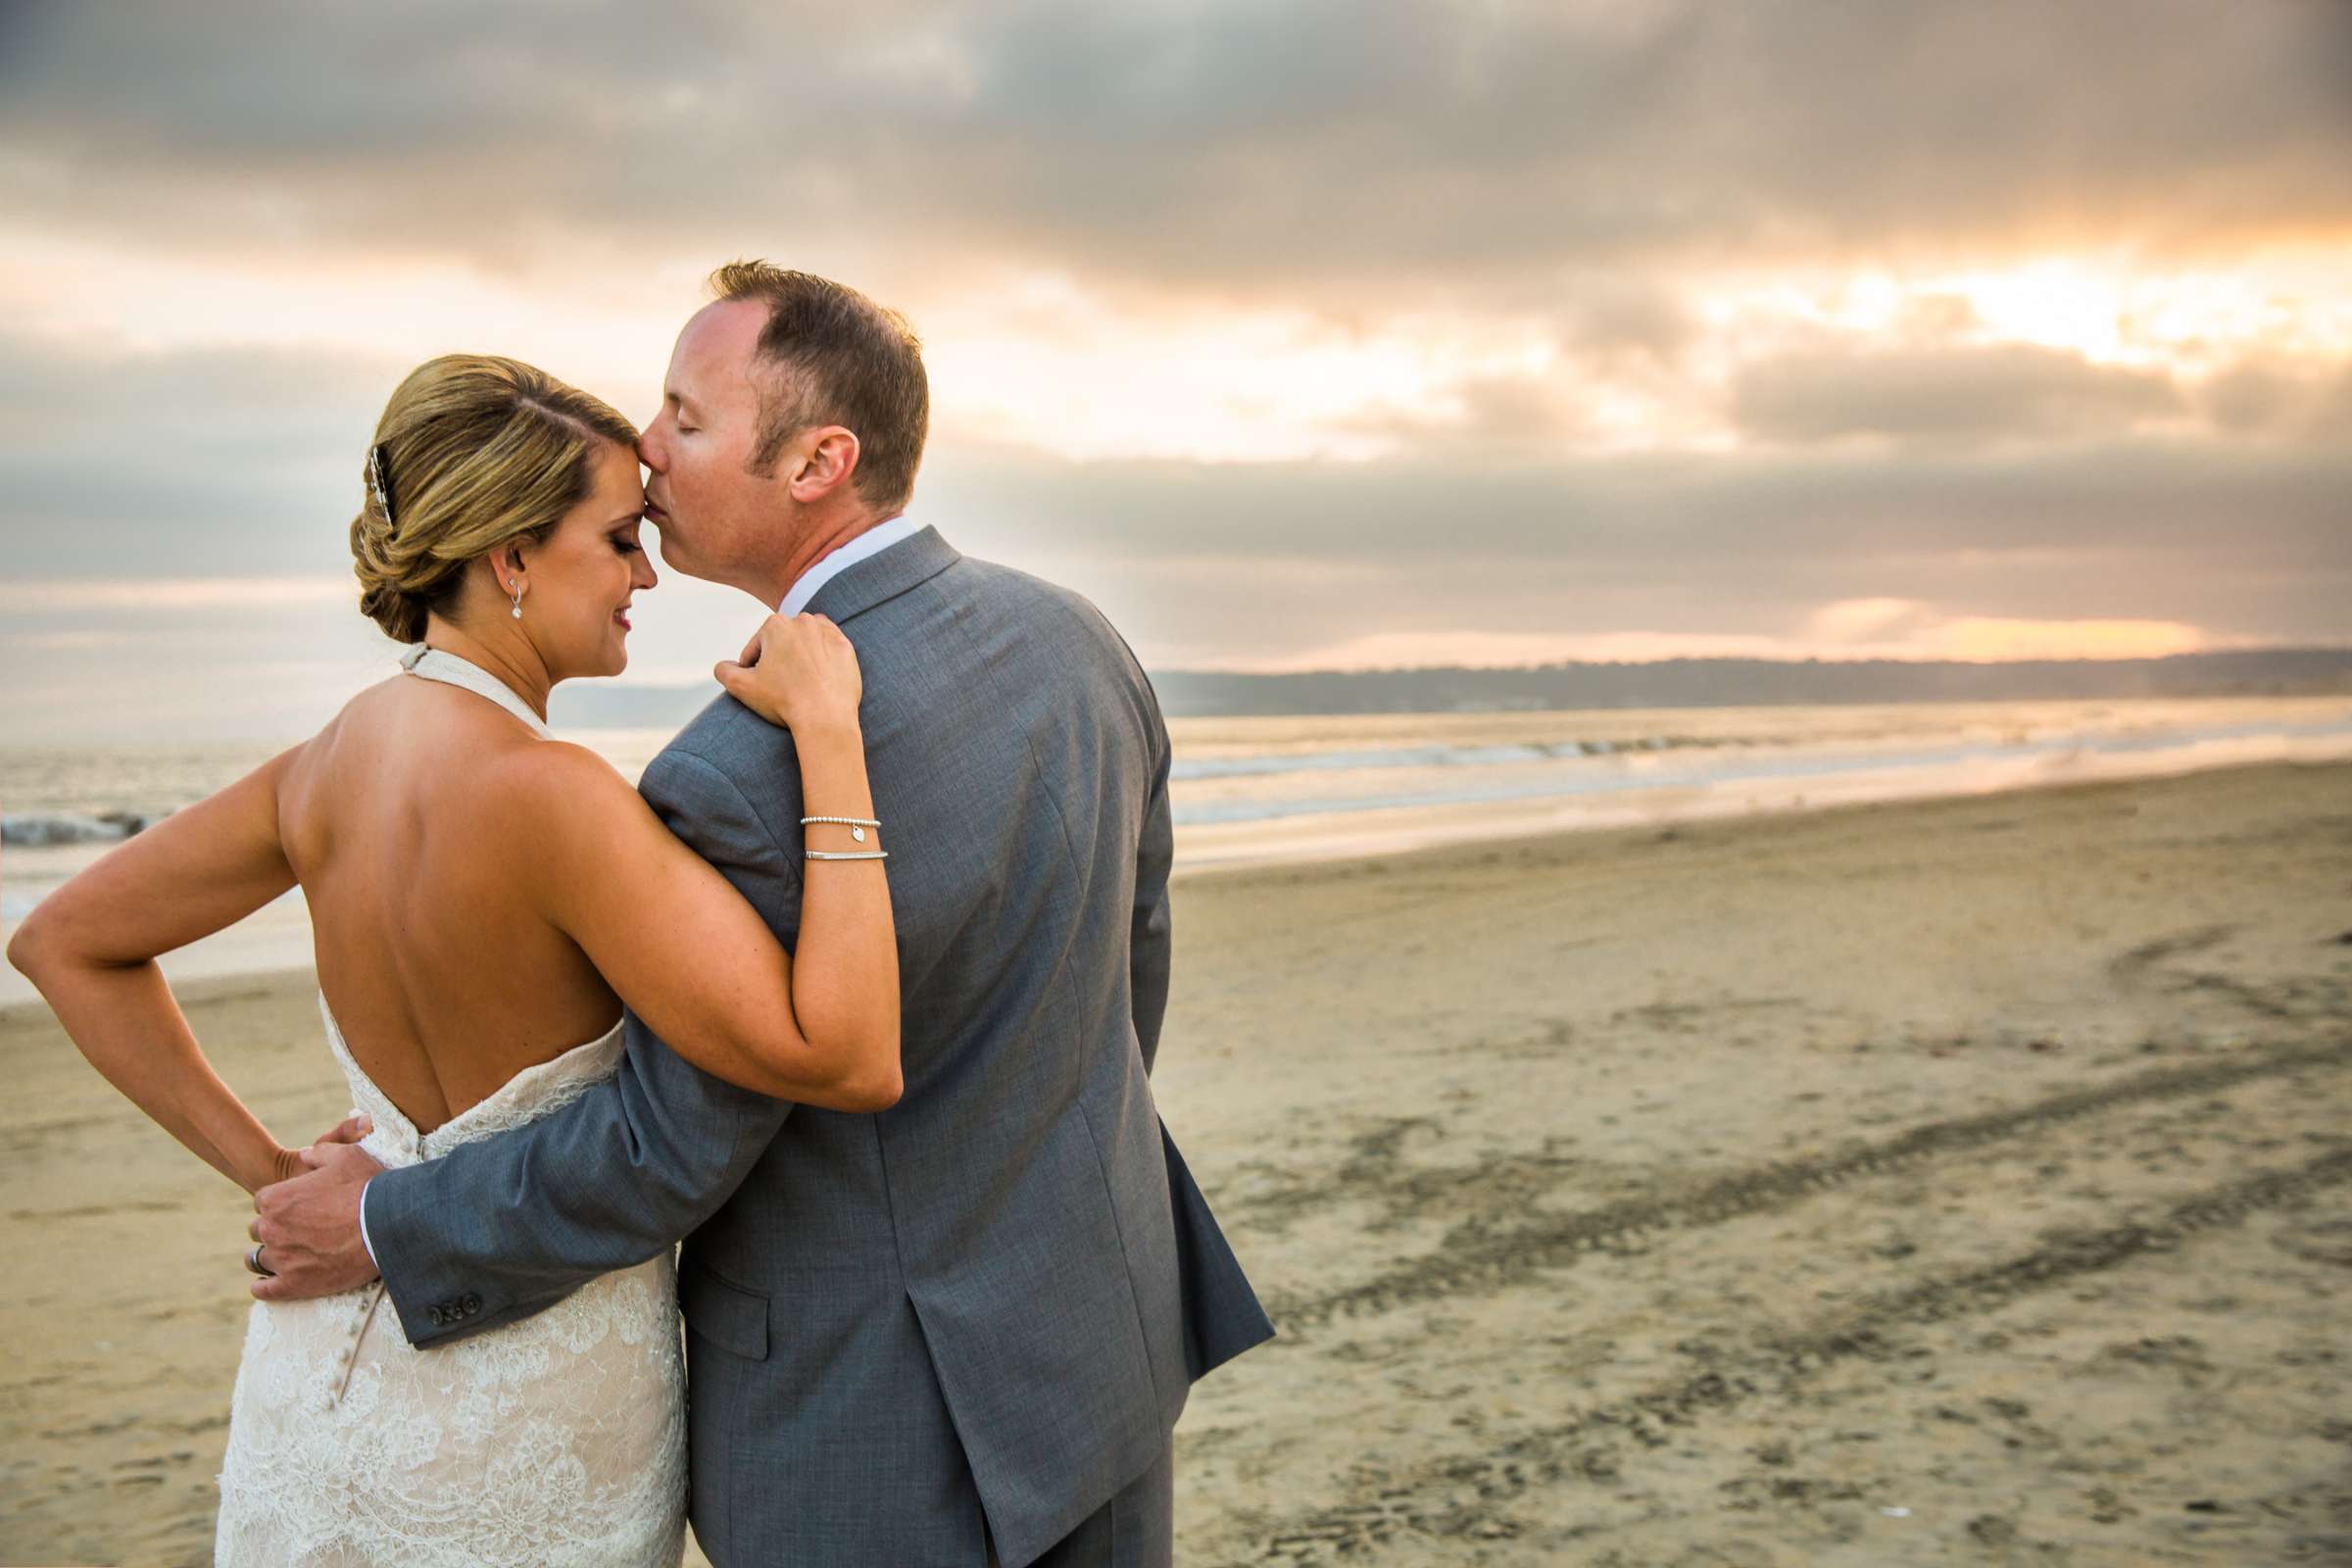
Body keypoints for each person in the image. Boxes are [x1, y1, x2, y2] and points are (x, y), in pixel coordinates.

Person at [251, 263, 1274, 1567]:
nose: (645, 447)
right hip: (1100, 1338)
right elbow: (1128, 973)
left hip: (866, 1424)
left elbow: (667, 1152)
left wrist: (391, 1221)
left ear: (817, 461)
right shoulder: (1079, 640)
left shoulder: (733, 775)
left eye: (684, 415)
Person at [7, 352, 905, 1565]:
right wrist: (832, 738)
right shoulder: (556, 800)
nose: (645, 572)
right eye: (618, 538)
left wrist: (270, 1176)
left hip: (318, 1382)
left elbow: (62, 942)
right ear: (511, 559)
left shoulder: (320, 766)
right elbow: (840, 1050)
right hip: (533, 1394)